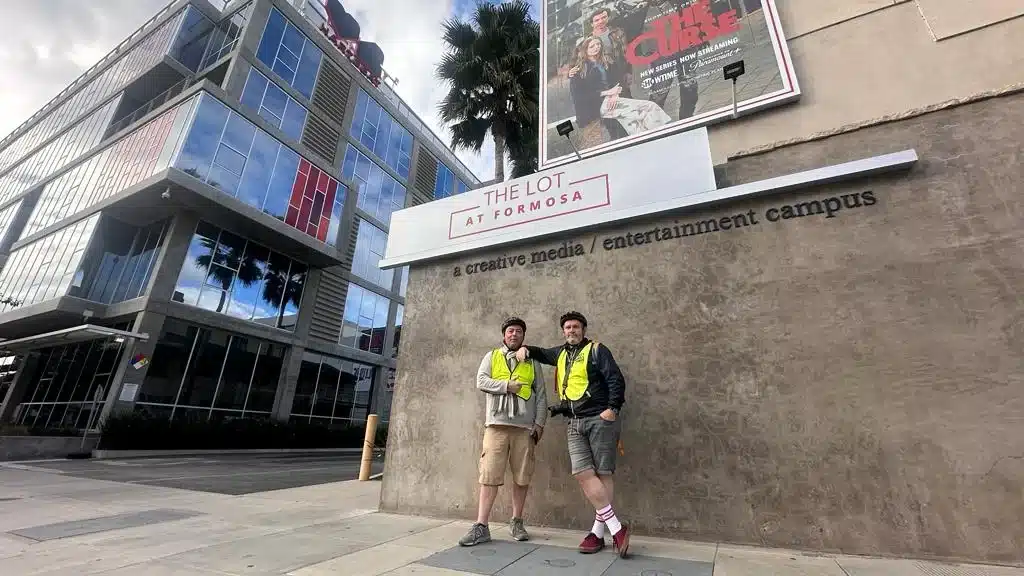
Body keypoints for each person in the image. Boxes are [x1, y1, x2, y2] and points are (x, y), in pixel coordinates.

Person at [515, 311, 630, 558]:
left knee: (603, 473)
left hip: (600, 419)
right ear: (563, 331)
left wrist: (612, 409)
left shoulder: (597, 350)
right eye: (567, 327)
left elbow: (615, 379)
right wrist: (526, 349)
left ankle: (597, 533)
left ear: (583, 329)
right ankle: (616, 528)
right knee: (582, 473)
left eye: (575, 327)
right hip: (574, 422)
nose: (571, 331)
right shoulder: (561, 353)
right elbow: (542, 353)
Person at [459, 317, 548, 547]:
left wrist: (539, 425)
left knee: (522, 476)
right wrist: (507, 386)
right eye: (510, 331)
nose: (514, 334)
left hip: (524, 429)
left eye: (518, 331)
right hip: (496, 426)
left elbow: (541, 395)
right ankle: (481, 526)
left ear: (523, 336)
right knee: (489, 475)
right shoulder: (492, 356)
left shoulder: (533, 362)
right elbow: (481, 381)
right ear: (504, 335)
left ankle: (517, 522)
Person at [568, 36, 671, 145]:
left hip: (613, 99)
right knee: (646, 109)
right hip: (596, 105)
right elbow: (581, 97)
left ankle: (651, 140)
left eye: (598, 44)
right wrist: (607, 93)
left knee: (637, 119)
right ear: (585, 50)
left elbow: (618, 81)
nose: (596, 47)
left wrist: (614, 95)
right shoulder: (579, 70)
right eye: (592, 46)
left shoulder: (607, 61)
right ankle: (657, 136)